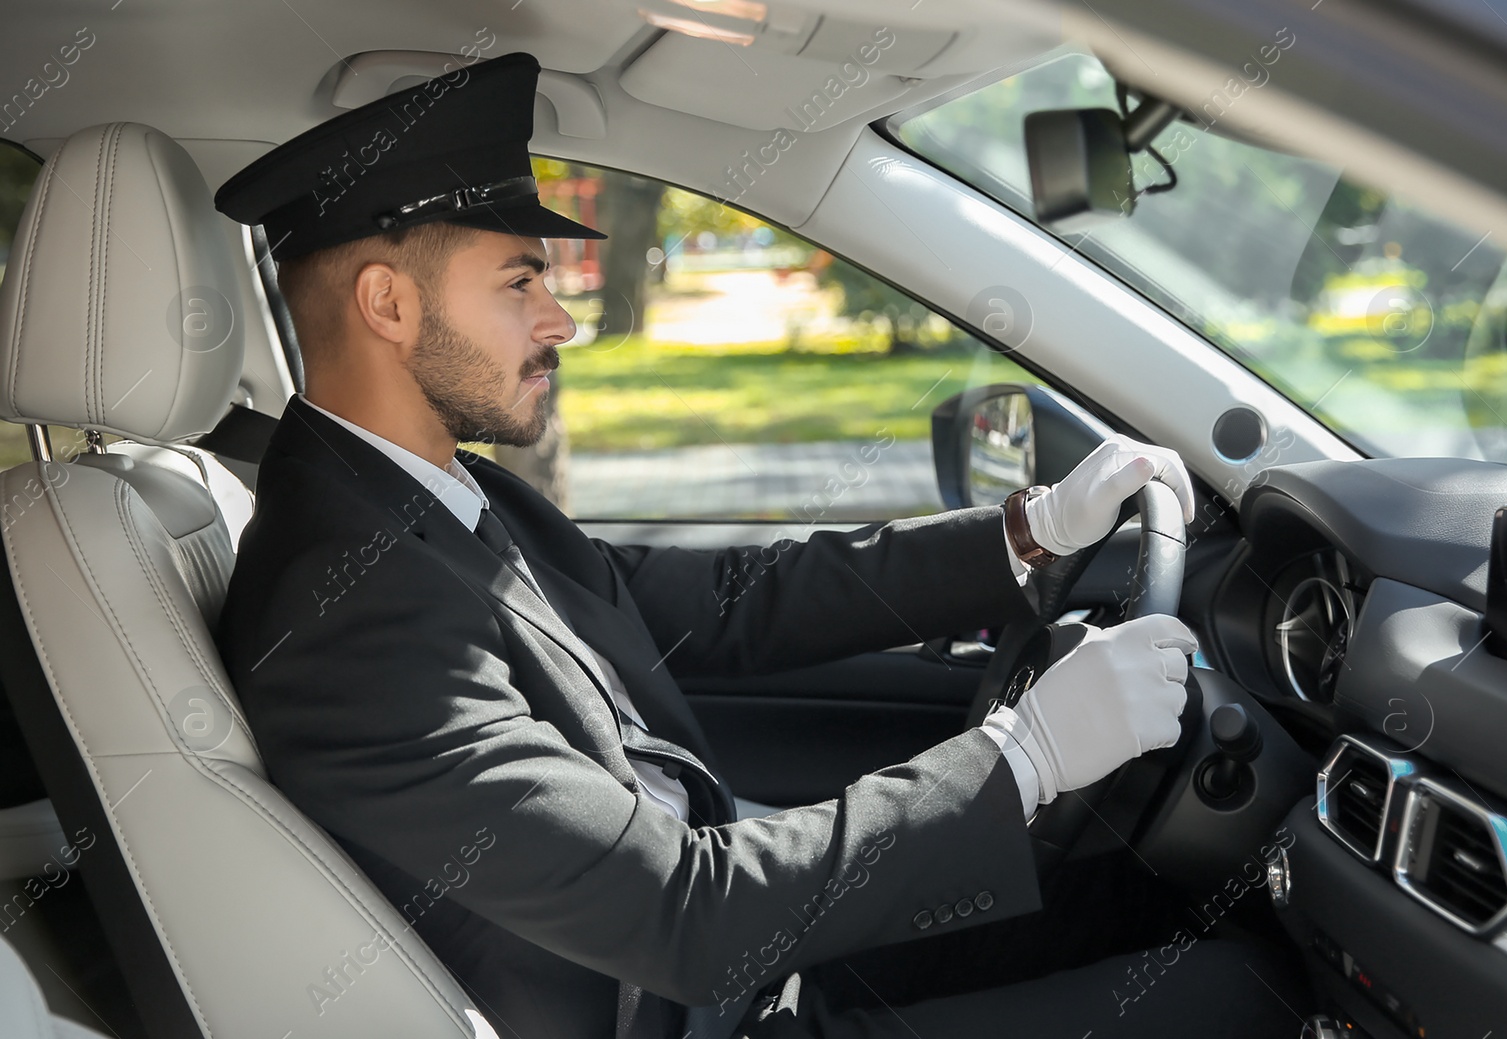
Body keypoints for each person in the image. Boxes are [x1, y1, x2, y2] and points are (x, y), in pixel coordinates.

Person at [215, 51, 1303, 1039]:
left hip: (740, 970)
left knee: (1151, 903)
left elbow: (726, 602)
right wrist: (1021, 756)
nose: (561, 319)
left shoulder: (433, 500)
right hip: (710, 1001)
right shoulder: (344, 611)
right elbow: (683, 911)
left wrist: (1027, 534)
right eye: (519, 280)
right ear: (386, 304)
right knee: (1236, 999)